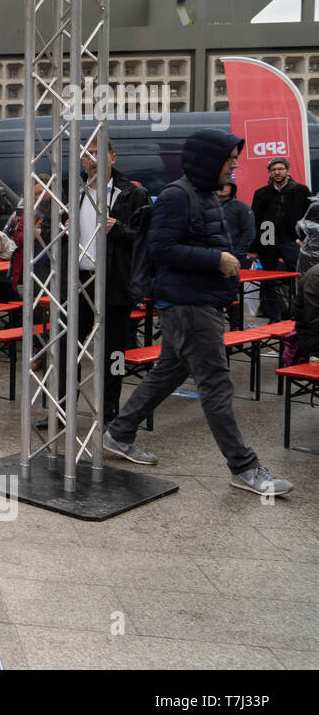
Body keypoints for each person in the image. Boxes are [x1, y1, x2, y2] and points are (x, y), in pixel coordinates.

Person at [102, 130, 294, 497]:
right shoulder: (178, 196)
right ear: (209, 161)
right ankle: (245, 467)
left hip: (197, 301)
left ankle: (119, 432)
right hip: (189, 305)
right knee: (217, 384)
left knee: (168, 372)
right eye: (229, 159)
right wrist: (216, 259)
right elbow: (162, 249)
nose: (235, 165)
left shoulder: (202, 195)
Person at [76, 137, 151, 423]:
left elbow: (147, 237)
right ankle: (62, 408)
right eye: (87, 154)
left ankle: (109, 411)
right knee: (69, 346)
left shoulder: (131, 194)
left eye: (98, 153)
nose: (92, 158)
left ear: (113, 158)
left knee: (113, 352)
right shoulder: (73, 191)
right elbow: (47, 231)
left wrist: (119, 228)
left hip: (115, 282)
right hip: (78, 281)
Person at [249, 158, 309, 322]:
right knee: (268, 280)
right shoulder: (261, 193)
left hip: (292, 240)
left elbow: (308, 217)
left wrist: (304, 238)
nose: (277, 172)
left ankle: (299, 314)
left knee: (298, 278)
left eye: (281, 168)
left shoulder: (301, 190)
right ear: (269, 172)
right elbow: (255, 220)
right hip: (267, 240)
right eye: (274, 169)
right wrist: (253, 248)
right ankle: (274, 317)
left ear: (287, 170)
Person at [217, 181, 256, 270]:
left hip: (235, 257)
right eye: (220, 184)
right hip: (212, 256)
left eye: (227, 185)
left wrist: (238, 253)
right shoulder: (206, 206)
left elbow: (249, 232)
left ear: (232, 187)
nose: (223, 188)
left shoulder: (242, 207)